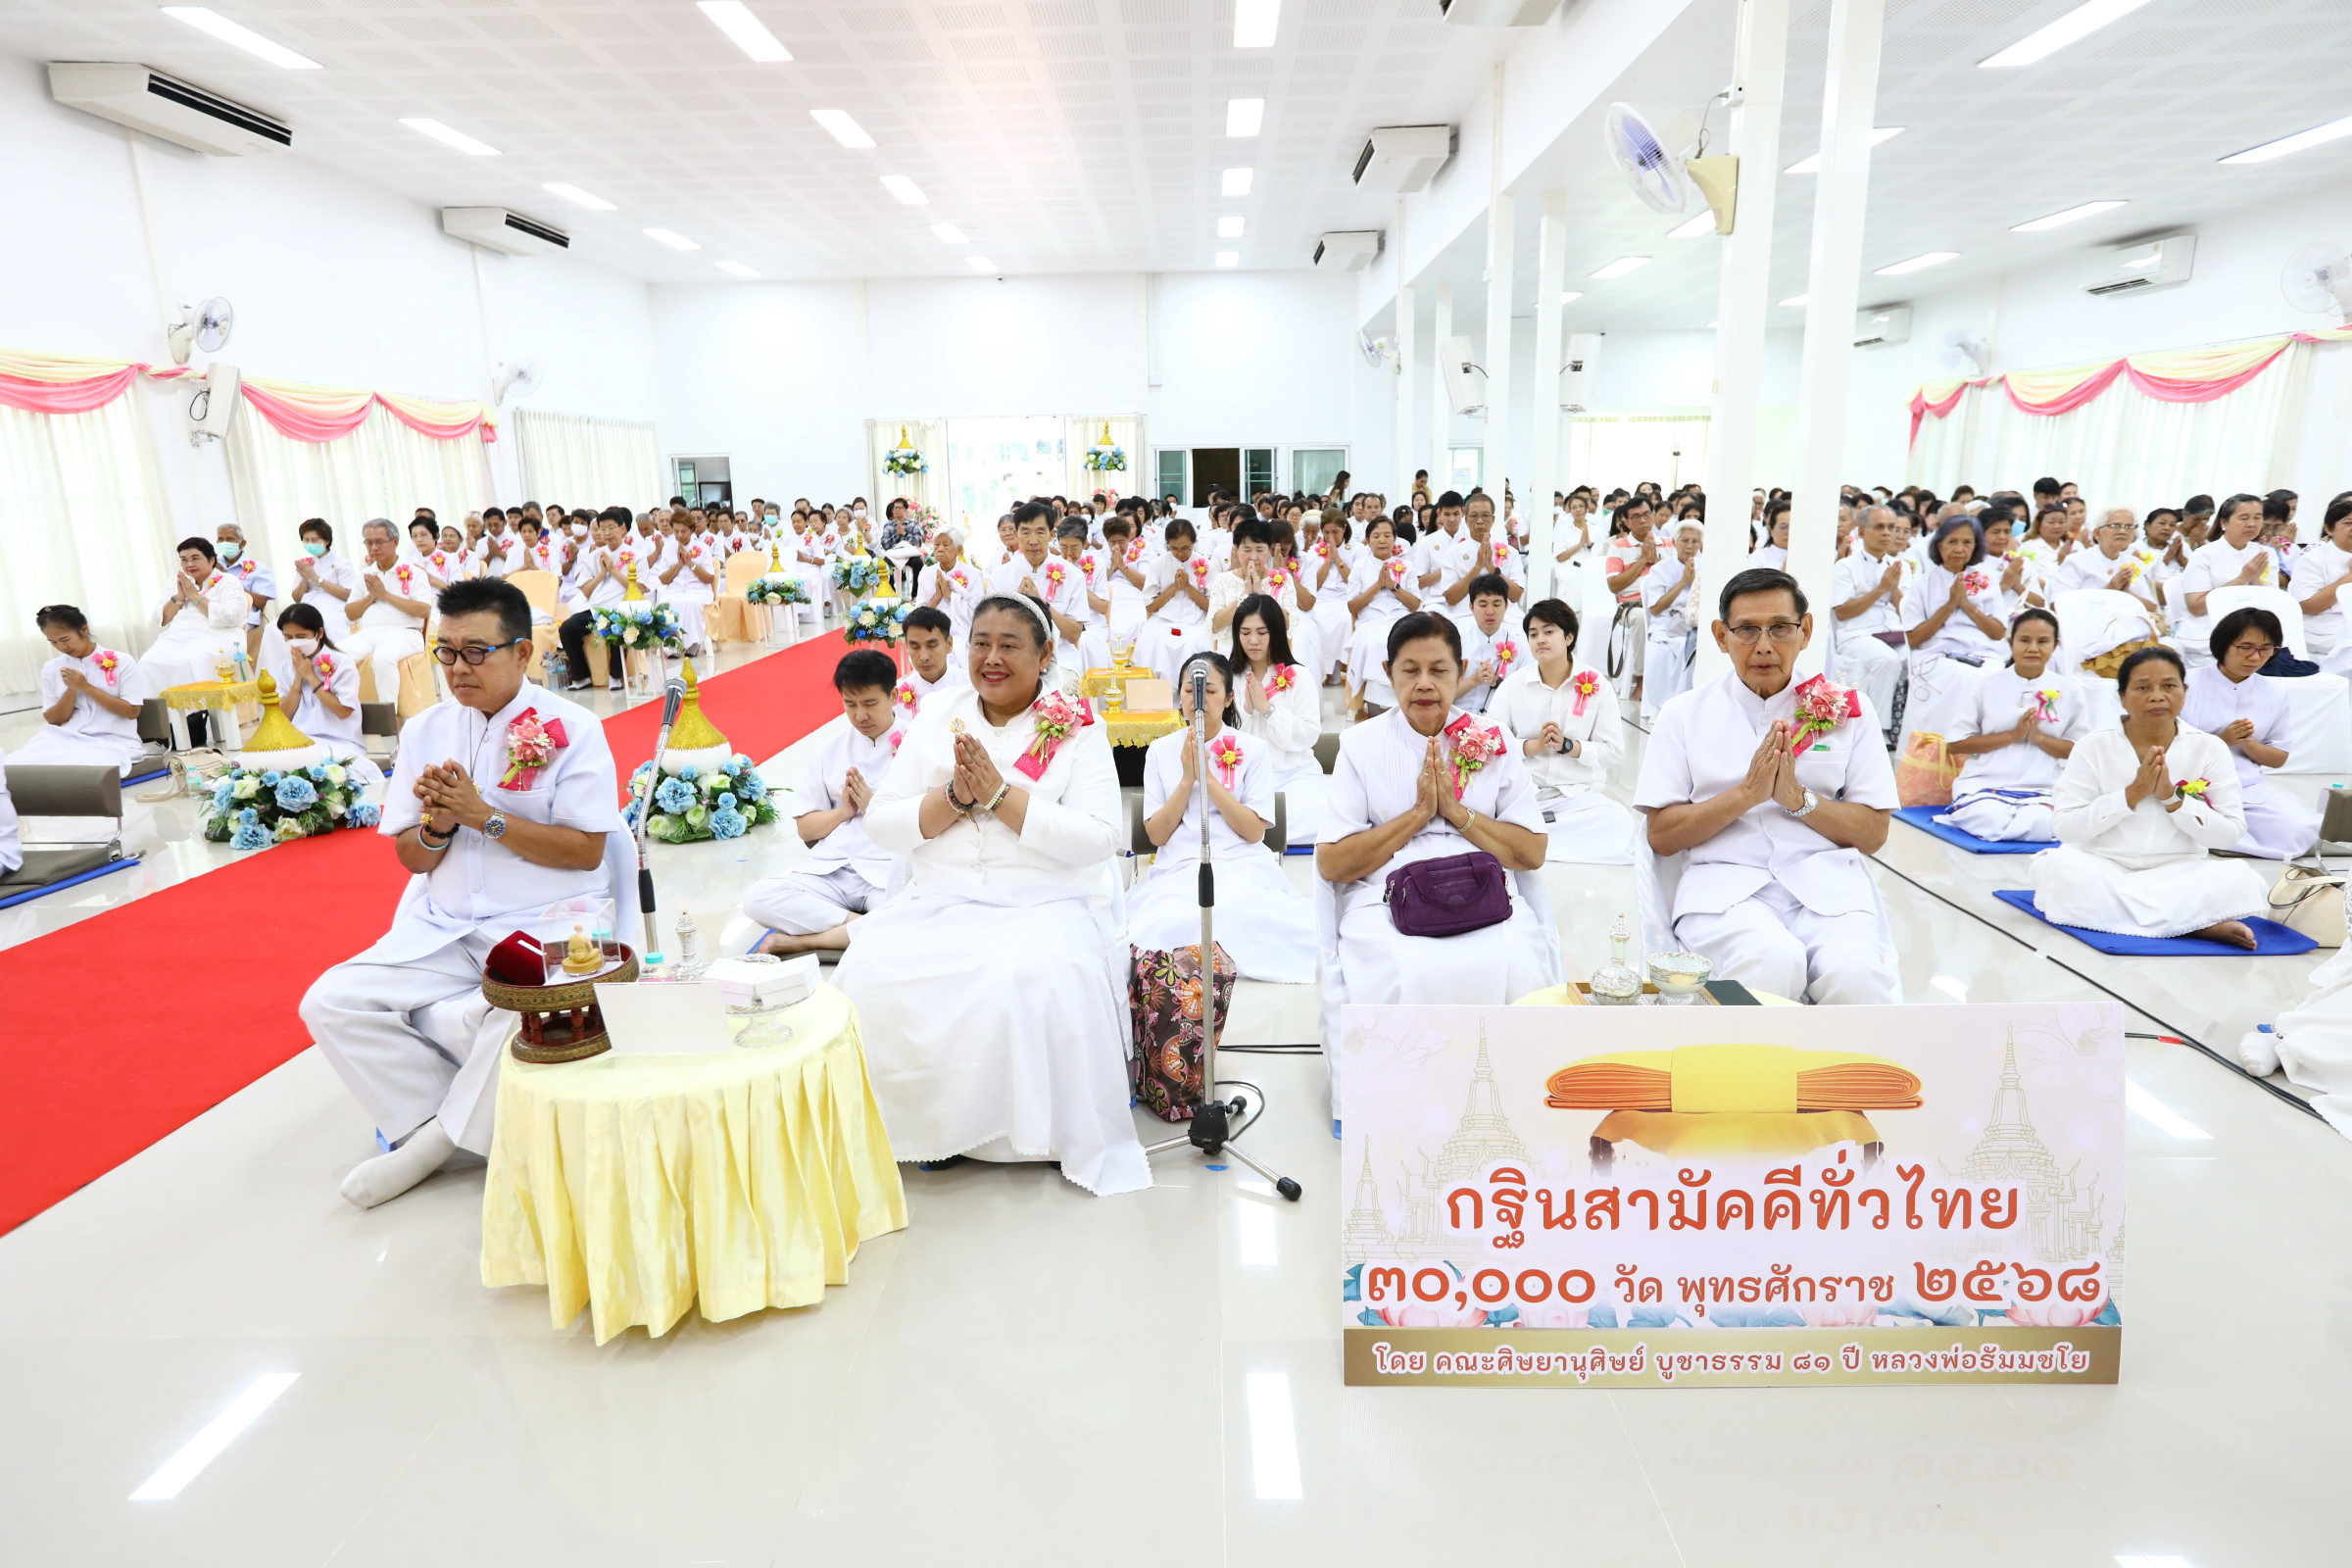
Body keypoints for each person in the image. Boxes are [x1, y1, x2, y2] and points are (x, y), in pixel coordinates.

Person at [300, 579, 623, 1207]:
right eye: (444, 652)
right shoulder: (426, 730)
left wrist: (482, 816)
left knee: (529, 1006)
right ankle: (428, 1120)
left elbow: (585, 850)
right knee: (327, 1001)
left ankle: (433, 1146)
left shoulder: (573, 728)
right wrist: (438, 825)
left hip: (548, 921)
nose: (456, 668)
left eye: (476, 652)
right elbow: (409, 856)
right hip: (446, 924)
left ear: (522, 653)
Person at [834, 594, 1142, 1194]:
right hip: (940, 897)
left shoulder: (1076, 725)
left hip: (1043, 899)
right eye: (981, 643)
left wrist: (1001, 796)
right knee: (869, 970)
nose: (991, 658)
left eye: (1009, 645)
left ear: (1045, 653)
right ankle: (919, 1128)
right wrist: (952, 799)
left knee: (1027, 977)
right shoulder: (937, 716)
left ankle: (1022, 1138)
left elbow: (1102, 838)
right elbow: (882, 821)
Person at [1635, 567, 1901, 1005]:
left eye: (1780, 628)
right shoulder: (1683, 715)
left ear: (1806, 630)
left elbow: (1874, 833)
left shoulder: (1849, 710)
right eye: (1746, 630)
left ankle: (1839, 1075)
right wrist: (1746, 795)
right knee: (1771, 962)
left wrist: (1798, 800)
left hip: (1828, 889)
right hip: (1724, 892)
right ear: (1721, 636)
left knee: (1856, 975)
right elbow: (1661, 836)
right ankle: (1747, 1074)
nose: (1763, 646)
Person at [1318, 612, 1551, 1009]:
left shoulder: (1494, 740)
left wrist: (1458, 813)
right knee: (1403, 970)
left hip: (1485, 891)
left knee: (1516, 962)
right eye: (1410, 671)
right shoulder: (1359, 745)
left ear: (1460, 672)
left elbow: (1532, 853)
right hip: (1386, 894)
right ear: (1388, 674)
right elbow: (1333, 864)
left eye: (1438, 670)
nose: (1424, 683)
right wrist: (1418, 815)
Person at [2032, 646, 2269, 947]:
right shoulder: (2093, 745)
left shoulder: (2209, 747)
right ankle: (2194, 925)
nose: (2157, 696)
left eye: (2168, 686)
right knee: (2057, 869)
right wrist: (2131, 795)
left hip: (2180, 871)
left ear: (2184, 691)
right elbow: (2065, 828)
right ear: (2122, 697)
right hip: (2103, 866)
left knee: (2243, 879)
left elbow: (2230, 835)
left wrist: (2173, 799)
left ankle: (2151, 921)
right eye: (2143, 687)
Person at [1128, 651, 1313, 983]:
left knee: (1242, 912)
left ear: (1229, 698)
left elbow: (1254, 833)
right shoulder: (1159, 751)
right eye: (1189, 690)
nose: (1197, 700)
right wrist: (1187, 779)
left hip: (1241, 861)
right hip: (1180, 865)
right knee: (1164, 926)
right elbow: (1156, 836)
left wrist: (1209, 780)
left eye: (1209, 691)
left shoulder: (1252, 749)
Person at [743, 650, 901, 957]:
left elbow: (928, 823)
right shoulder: (830, 749)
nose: (860, 716)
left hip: (887, 870)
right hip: (833, 870)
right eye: (850, 704)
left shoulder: (914, 745)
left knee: (927, 914)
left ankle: (805, 941)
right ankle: (865, 927)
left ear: (893, 695)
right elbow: (805, 830)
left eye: (870, 703)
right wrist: (844, 812)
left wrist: (874, 809)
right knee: (757, 898)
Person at [1493, 598, 1636, 864]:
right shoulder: (1513, 686)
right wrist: (1531, 747)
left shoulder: (1597, 686)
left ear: (1569, 637)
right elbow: (1491, 745)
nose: (1540, 640)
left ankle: (1530, 841)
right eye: (1533, 634)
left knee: (1619, 820)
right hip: (1523, 794)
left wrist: (1570, 747)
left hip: (1574, 799)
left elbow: (1614, 753)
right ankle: (1535, 837)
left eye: (1549, 632)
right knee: (1485, 814)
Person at [1936, 609, 2087, 842]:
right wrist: (2013, 735)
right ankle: (2018, 831)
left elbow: (2080, 750)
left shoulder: (2070, 690)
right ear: (2011, 642)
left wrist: (2039, 738)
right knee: (1990, 817)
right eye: (2025, 640)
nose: (2033, 648)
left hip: (2044, 785)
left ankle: (2013, 832)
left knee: (2042, 821)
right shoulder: (1982, 685)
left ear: (2055, 645)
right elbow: (1955, 744)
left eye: (2043, 641)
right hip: (1985, 783)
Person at [2180, 607, 2320, 859]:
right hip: (2191, 785)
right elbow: (2165, 747)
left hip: (2247, 788)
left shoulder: (2274, 693)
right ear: (2223, 645)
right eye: (2245, 647)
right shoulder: (2185, 685)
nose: (2255, 657)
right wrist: (2222, 741)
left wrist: (2247, 743)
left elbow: (2278, 758)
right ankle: (2216, 836)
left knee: (2300, 831)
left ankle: (2218, 838)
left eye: (2266, 649)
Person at [1228, 593, 1326, 846]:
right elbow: (1221, 738)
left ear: (1276, 633)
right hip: (1243, 779)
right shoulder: (1228, 678)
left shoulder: (1299, 676)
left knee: (1317, 814)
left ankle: (1250, 834)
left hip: (1294, 777)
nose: (1253, 641)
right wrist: (1248, 712)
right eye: (1245, 632)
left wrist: (1269, 710)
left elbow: (1308, 735)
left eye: (1262, 632)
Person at [16, 606, 150, 769]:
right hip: (67, 738)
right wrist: (71, 690)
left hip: (112, 740)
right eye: (53, 642)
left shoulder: (121, 661)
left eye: (65, 639)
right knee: (19, 762)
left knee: (78, 765)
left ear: (84, 630)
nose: (62, 647)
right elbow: (53, 720)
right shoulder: (52, 668)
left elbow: (132, 711)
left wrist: (87, 688)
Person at [1830, 505, 1913, 728]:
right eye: (1880, 527)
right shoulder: (1845, 566)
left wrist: (1893, 588)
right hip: (1857, 634)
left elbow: (1906, 612)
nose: (1887, 533)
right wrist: (1881, 589)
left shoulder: (1901, 566)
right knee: (1888, 660)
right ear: (1863, 532)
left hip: (1893, 633)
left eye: (1891, 527)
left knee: (1921, 658)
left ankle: (1907, 728)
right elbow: (1842, 611)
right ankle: (1877, 729)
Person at [2174, 493, 2273, 669]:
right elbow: (2196, 606)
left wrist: (2255, 579)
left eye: (2258, 517)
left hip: (2255, 637)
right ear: (2223, 522)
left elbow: (2271, 604)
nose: (2252, 523)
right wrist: (2243, 579)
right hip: (2208, 634)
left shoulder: (2266, 554)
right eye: (2244, 518)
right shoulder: (2204, 554)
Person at [339, 519, 432, 702]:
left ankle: (388, 722)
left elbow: (423, 610)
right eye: (368, 542)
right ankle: (349, 712)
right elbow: (350, 614)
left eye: (379, 542)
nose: (373, 547)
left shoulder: (414, 572)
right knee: (334, 657)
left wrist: (385, 595)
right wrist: (372, 597)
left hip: (406, 634)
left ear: (395, 542)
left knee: (383, 659)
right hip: (368, 634)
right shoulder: (364, 575)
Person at [143, 536, 249, 693]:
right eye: (184, 560)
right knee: (148, 662)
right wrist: (179, 596)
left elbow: (231, 617)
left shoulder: (228, 581)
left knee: (188, 661)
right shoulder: (176, 581)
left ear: (211, 560)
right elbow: (161, 619)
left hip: (217, 636)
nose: (189, 564)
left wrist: (195, 596)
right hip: (177, 637)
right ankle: (164, 715)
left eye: (195, 558)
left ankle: (197, 714)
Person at [1343, 515, 1424, 714]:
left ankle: (1405, 701)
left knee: (1409, 641)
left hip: (1401, 619)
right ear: (1368, 540)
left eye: (1387, 535)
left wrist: (1394, 586)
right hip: (1371, 620)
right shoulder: (1359, 567)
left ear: (1394, 540)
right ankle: (1377, 706)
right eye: (1376, 536)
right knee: (1376, 643)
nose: (1382, 540)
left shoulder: (1406, 567)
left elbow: (1415, 605)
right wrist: (1378, 585)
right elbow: (1353, 606)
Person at [275, 603, 366, 753]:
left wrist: (311, 677)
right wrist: (298, 679)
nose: (295, 642)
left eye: (301, 636)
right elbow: (282, 717)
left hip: (340, 743)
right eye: (289, 637)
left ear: (320, 633)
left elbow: (343, 712)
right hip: (299, 742)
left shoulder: (342, 664)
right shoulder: (285, 668)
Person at [1642, 519, 1704, 718]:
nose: (1689, 546)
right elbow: (1656, 607)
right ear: (1674, 542)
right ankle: (1673, 707)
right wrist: (1683, 582)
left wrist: (1694, 580)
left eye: (1695, 541)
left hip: (1696, 624)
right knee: (1681, 647)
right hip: (1666, 623)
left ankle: (1693, 706)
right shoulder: (1660, 569)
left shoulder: (1706, 567)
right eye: (1685, 540)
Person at [1138, 518, 1212, 685]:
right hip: (1161, 621)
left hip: (1196, 622)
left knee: (1192, 645)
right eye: (1175, 548)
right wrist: (1173, 588)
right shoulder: (1157, 564)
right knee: (1154, 644)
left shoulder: (1206, 565)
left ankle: (1190, 695)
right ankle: (1158, 698)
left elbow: (1211, 606)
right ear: (1168, 545)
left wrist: (1187, 587)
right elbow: (1150, 605)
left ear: (1194, 543)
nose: (1180, 553)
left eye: (1186, 548)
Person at [2292, 496, 2352, 673]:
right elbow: (2308, 605)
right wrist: (2349, 578)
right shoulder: (2313, 559)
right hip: (2322, 630)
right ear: (2329, 528)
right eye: (2348, 523)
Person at [1454, 574, 1519, 714]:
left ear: (1506, 606)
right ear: (1471, 607)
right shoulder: (1456, 643)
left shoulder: (1520, 647)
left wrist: (1496, 682)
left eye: (1496, 604)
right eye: (1483, 605)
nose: (1490, 611)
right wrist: (1474, 680)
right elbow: (1444, 694)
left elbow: (1523, 698)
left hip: (1499, 723)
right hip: (1457, 721)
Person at [658, 510, 717, 657]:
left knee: (691, 603)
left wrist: (690, 563)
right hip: (675, 590)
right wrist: (679, 564)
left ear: (691, 530)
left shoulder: (702, 548)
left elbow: (710, 578)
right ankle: (672, 647)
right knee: (665, 603)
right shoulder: (668, 549)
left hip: (698, 590)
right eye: (676, 531)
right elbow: (663, 579)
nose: (679, 535)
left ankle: (694, 643)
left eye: (684, 531)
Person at [894, 605, 967, 720]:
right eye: (915, 646)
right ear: (907, 646)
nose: (924, 657)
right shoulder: (897, 697)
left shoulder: (970, 686)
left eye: (932, 646)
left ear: (949, 644)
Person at [289, 518, 362, 627]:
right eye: (306, 540)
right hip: (306, 610)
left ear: (327, 541)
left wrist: (316, 579)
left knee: (323, 624)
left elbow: (348, 595)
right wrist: (305, 577)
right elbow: (297, 598)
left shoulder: (342, 563)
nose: (310, 544)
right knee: (275, 627)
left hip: (334, 610)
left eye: (314, 540)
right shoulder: (305, 564)